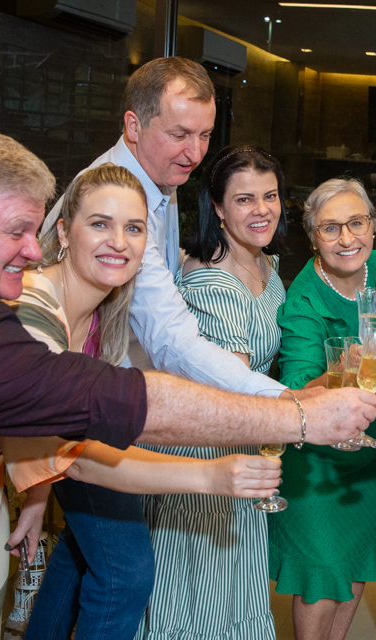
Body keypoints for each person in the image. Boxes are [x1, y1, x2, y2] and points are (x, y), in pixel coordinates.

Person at [0, 131, 376, 639]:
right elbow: (121, 406)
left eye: (136, 229)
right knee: (123, 573)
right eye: (16, 231)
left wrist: (36, 494)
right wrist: (295, 417)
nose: (32, 249)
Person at [0, 163, 283, 639]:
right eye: (100, 224)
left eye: (134, 229)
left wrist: (37, 496)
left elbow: (47, 435)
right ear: (62, 231)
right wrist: (210, 475)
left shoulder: (103, 313)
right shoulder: (32, 310)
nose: (119, 242)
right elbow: (75, 456)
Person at [41, 56, 287, 398]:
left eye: (205, 135)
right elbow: (170, 338)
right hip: (84, 388)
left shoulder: (159, 173)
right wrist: (284, 400)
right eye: (179, 135)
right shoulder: (114, 197)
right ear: (133, 126)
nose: (195, 153)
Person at [137, 146, 288, 639]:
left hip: (246, 442)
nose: (262, 209)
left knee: (235, 595)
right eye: (244, 199)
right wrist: (306, 407)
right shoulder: (213, 283)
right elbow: (231, 393)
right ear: (218, 208)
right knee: (200, 605)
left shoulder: (265, 265)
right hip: (209, 451)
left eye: (270, 196)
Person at [269, 178, 376, 640]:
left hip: (371, 451)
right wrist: (344, 366)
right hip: (318, 460)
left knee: (356, 565)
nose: (347, 239)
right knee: (321, 577)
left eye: (356, 223)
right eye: (330, 228)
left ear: (373, 226)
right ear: (313, 237)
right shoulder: (304, 298)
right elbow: (296, 389)